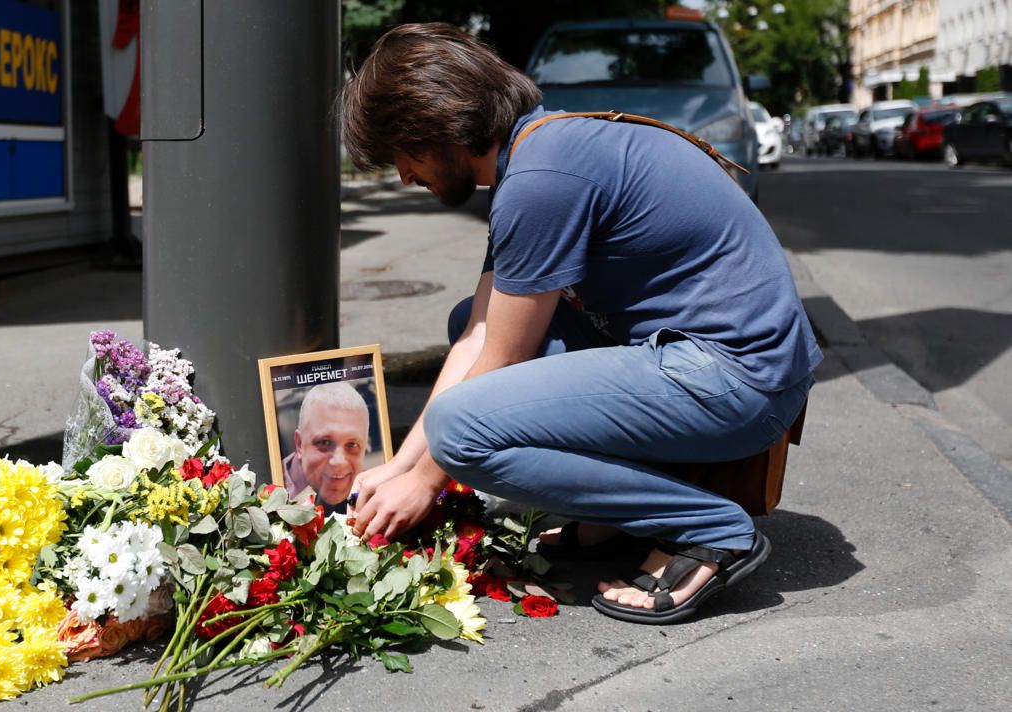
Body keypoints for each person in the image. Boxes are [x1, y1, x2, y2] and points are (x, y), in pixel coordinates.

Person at [344, 24, 820, 624]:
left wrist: (426, 482)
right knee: (466, 326)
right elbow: (480, 333)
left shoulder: (541, 182)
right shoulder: (540, 149)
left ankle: (708, 528)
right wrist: (399, 467)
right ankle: (617, 518)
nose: (404, 175)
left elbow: (502, 362)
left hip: (740, 384)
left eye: (401, 153)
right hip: (711, 364)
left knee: (461, 431)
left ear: (437, 126)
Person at [283, 382, 371, 515]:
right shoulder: (271, 492)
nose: (339, 462)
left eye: (352, 445)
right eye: (325, 442)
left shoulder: (371, 491)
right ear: (299, 444)